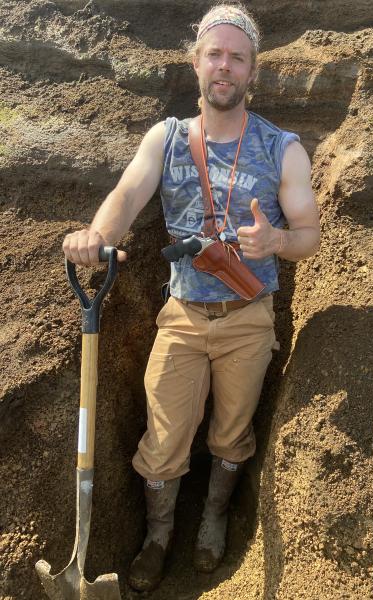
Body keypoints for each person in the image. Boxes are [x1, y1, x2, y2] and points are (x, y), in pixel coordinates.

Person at [62, 3, 320, 592]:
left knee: (231, 433)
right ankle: (157, 536)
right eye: (214, 54)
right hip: (180, 317)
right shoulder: (169, 138)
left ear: (253, 70)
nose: (224, 66)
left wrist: (276, 238)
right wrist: (96, 238)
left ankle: (213, 518)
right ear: (196, 61)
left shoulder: (283, 149)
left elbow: (310, 235)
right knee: (163, 439)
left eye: (236, 57)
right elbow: (127, 196)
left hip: (248, 319)